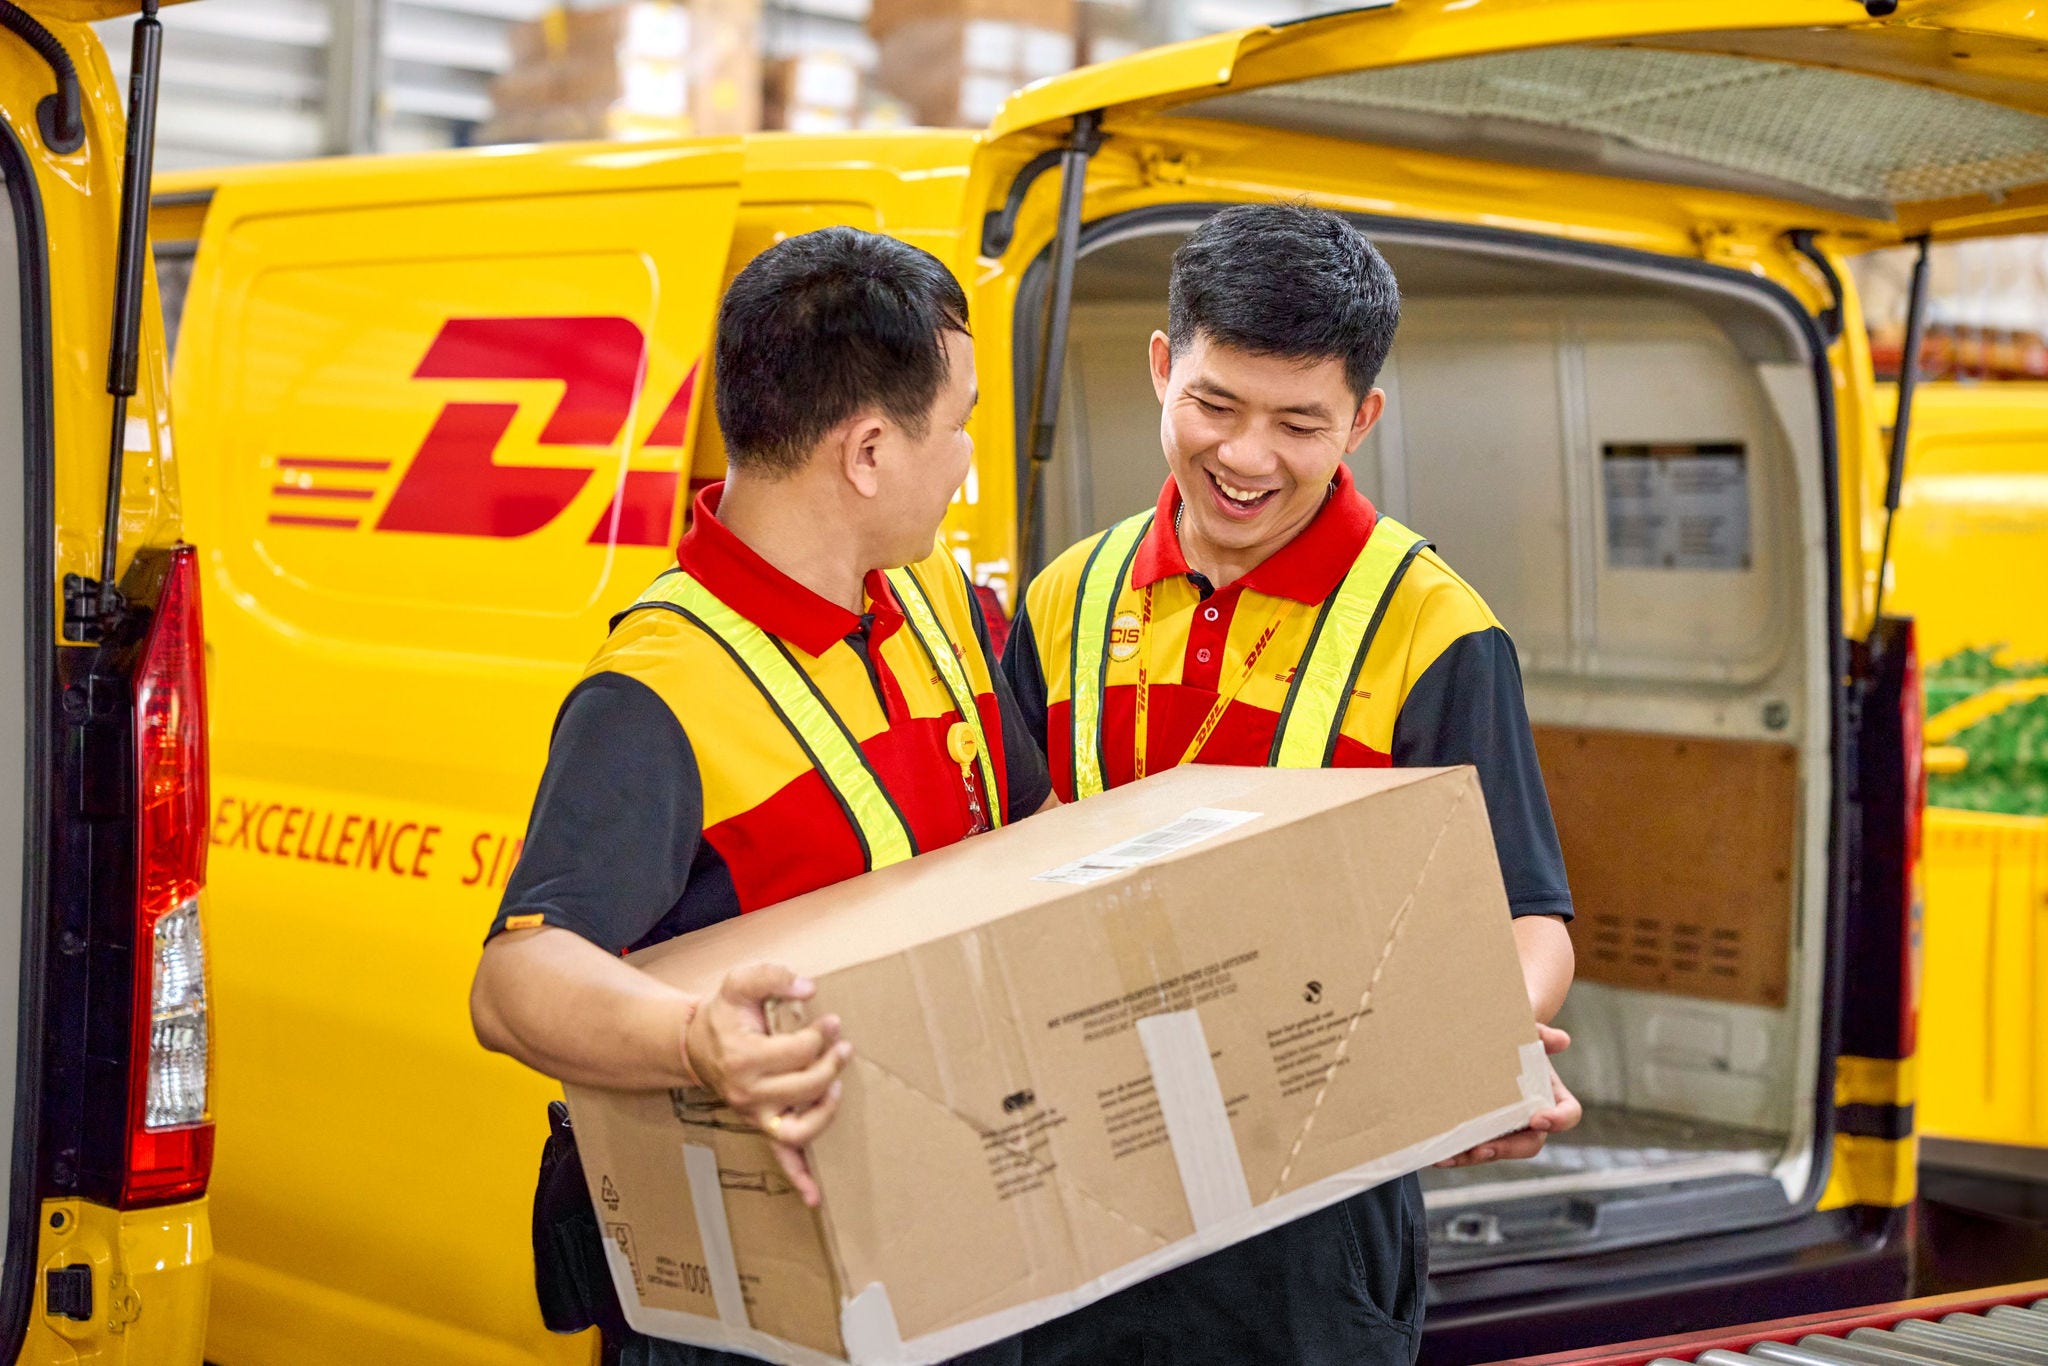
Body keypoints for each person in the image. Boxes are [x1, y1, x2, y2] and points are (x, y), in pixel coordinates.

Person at [995, 202, 1582, 1366]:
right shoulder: (1066, 598)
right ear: (1162, 369)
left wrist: (1481, 1046)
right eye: (1213, 405)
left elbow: (1527, 914)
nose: (1245, 457)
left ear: (1360, 417)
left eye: (1297, 423)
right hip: (1073, 1187)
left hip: (1306, 1212)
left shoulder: (1433, 627)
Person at [469, 226, 1052, 1366]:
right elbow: (514, 979)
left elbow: (1029, 835)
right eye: (961, 422)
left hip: (963, 1255)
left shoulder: (938, 603)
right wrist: (699, 1040)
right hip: (764, 1314)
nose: (967, 459)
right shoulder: (658, 690)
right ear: (871, 451)